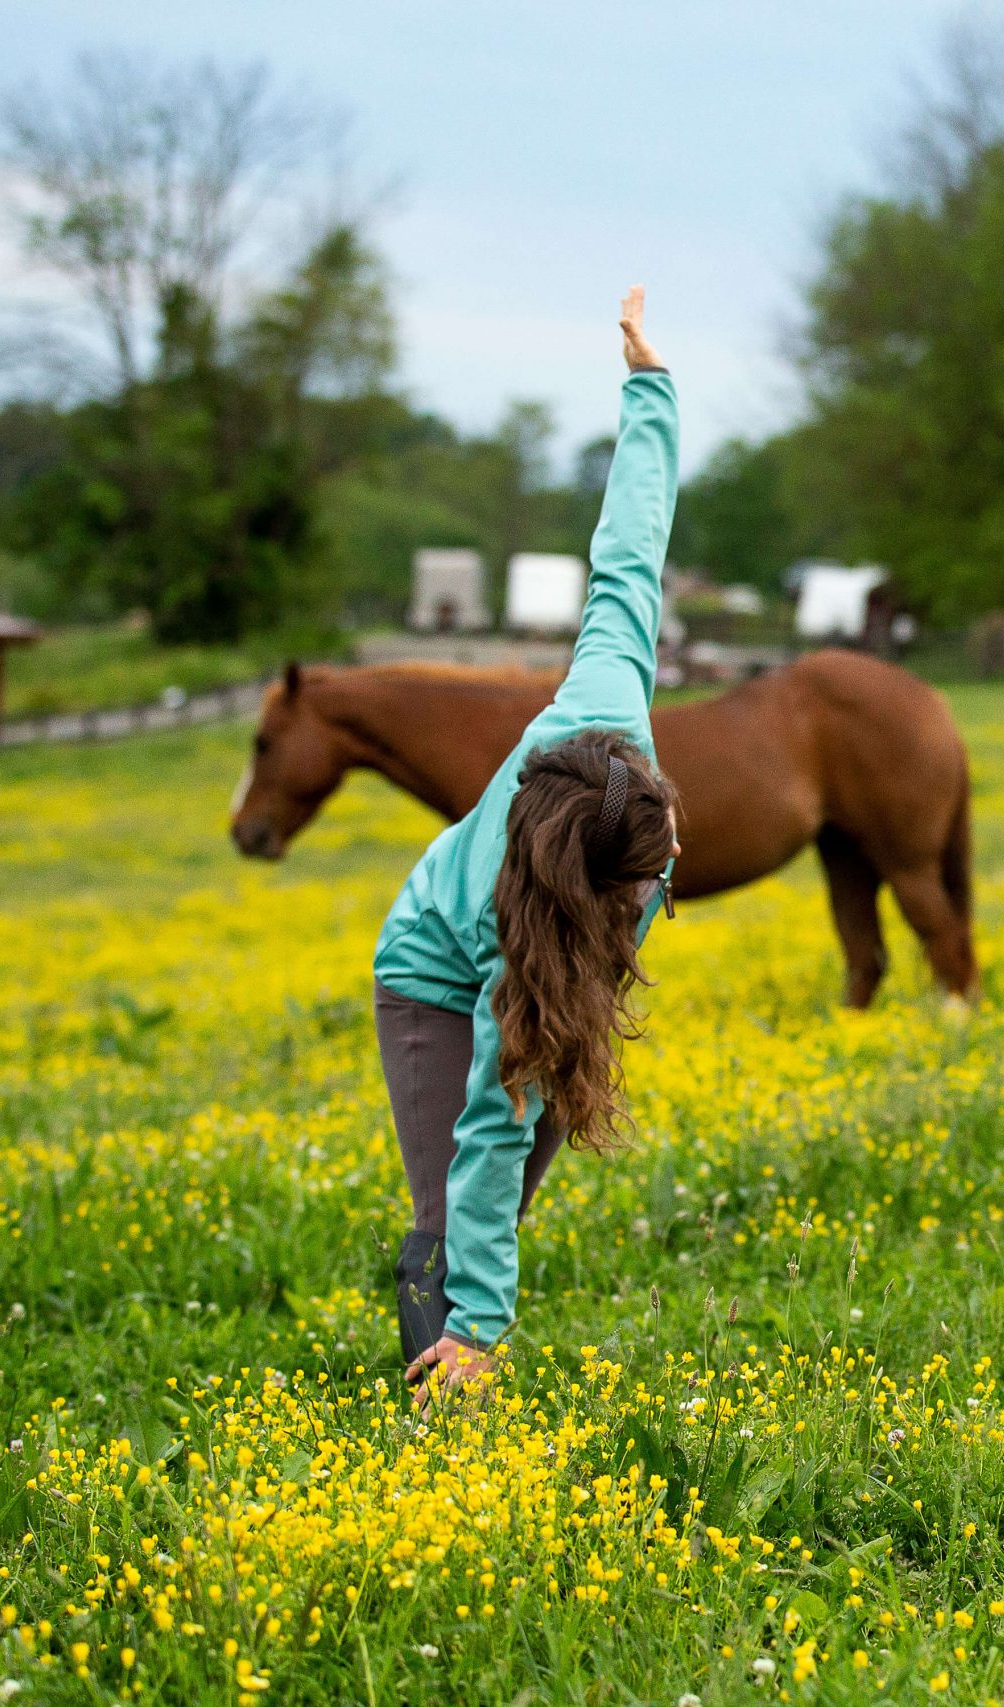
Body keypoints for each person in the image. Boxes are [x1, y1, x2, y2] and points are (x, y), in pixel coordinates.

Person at [372, 287, 682, 1405]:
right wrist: (484, 1327)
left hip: (536, 933)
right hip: (428, 970)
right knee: (461, 1207)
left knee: (495, 1204)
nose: (657, 884)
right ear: (580, 884)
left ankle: (461, 1346)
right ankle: (437, 1411)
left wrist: (649, 388)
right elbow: (493, 1126)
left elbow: (629, 552)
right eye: (640, 882)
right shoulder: (523, 931)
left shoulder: (609, 698)